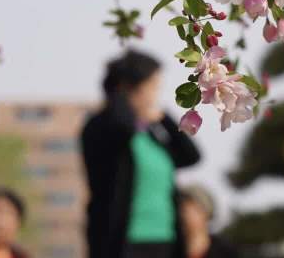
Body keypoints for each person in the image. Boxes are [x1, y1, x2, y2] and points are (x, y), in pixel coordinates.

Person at [82, 49, 201, 258]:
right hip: (123, 244)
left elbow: (191, 156)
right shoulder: (102, 127)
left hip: (165, 242)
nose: (155, 96)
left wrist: (164, 118)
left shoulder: (151, 133)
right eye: (152, 87)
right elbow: (121, 126)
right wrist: (121, 95)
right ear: (129, 88)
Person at [178, 185, 241, 258]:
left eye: (189, 211)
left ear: (206, 213)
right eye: (182, 210)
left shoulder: (225, 251)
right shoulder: (171, 250)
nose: (184, 217)